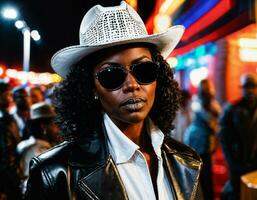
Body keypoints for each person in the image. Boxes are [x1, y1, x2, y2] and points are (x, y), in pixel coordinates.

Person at [25, 2, 202, 200]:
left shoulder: (187, 160)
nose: (132, 85)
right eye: (112, 75)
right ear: (90, 87)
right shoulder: (54, 174)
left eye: (144, 70)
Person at [219, 73, 257, 200]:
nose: (250, 90)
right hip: (237, 163)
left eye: (252, 86)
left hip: (255, 163)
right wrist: (231, 162)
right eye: (247, 87)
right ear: (242, 89)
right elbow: (224, 139)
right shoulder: (231, 109)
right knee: (237, 194)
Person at [184, 79, 221, 200]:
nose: (209, 91)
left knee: (206, 175)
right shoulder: (197, 103)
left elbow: (216, 121)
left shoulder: (211, 103)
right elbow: (210, 121)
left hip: (206, 143)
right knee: (199, 173)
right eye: (207, 89)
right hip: (196, 143)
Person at [17, 102, 60, 195]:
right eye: (55, 124)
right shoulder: (40, 152)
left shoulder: (27, 145)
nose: (58, 130)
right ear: (43, 126)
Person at [0, 82, 23, 200]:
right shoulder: (4, 120)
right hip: (8, 181)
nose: (11, 98)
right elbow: (7, 157)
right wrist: (18, 182)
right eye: (8, 95)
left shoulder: (7, 117)